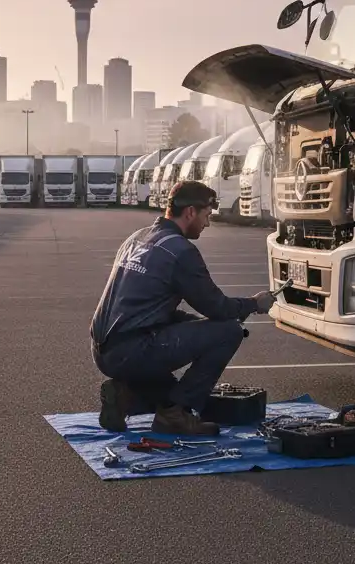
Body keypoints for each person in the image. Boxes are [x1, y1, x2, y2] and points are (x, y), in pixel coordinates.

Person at [90, 179, 278, 436]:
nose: (208, 223)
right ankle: (175, 416)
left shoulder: (138, 238)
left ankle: (126, 396)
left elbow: (145, 306)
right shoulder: (180, 251)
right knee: (228, 331)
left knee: (171, 389)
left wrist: (192, 324)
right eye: (206, 215)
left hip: (104, 349)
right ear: (190, 211)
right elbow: (218, 307)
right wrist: (255, 304)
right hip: (133, 350)